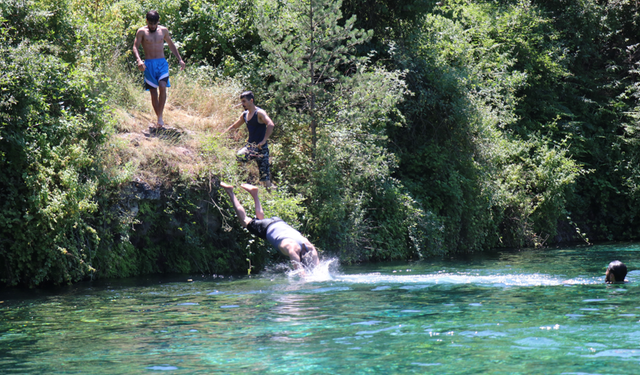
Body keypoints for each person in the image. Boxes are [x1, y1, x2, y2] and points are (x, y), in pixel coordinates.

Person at [220, 182, 319, 272]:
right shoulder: (292, 249)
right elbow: (301, 273)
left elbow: (317, 268)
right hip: (267, 228)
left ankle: (254, 194)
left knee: (260, 219)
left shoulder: (309, 247)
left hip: (278, 222)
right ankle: (230, 192)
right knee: (244, 221)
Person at [132, 10, 186, 130]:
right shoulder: (141, 32)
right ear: (146, 21)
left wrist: (180, 59)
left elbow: (171, 44)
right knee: (153, 93)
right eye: (150, 23)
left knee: (162, 86)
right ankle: (159, 118)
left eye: (154, 24)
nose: (152, 26)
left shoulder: (163, 30)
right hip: (149, 64)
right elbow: (135, 47)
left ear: (158, 22)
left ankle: (160, 117)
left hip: (162, 63)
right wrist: (139, 60)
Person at [221, 91, 274, 187]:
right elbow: (234, 126)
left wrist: (264, 140)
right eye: (242, 101)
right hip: (250, 147)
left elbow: (271, 124)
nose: (242, 104)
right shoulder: (245, 115)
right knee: (239, 156)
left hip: (261, 149)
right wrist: (221, 136)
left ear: (251, 100)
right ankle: (243, 182)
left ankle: (272, 197)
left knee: (265, 179)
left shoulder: (259, 113)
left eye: (244, 101)